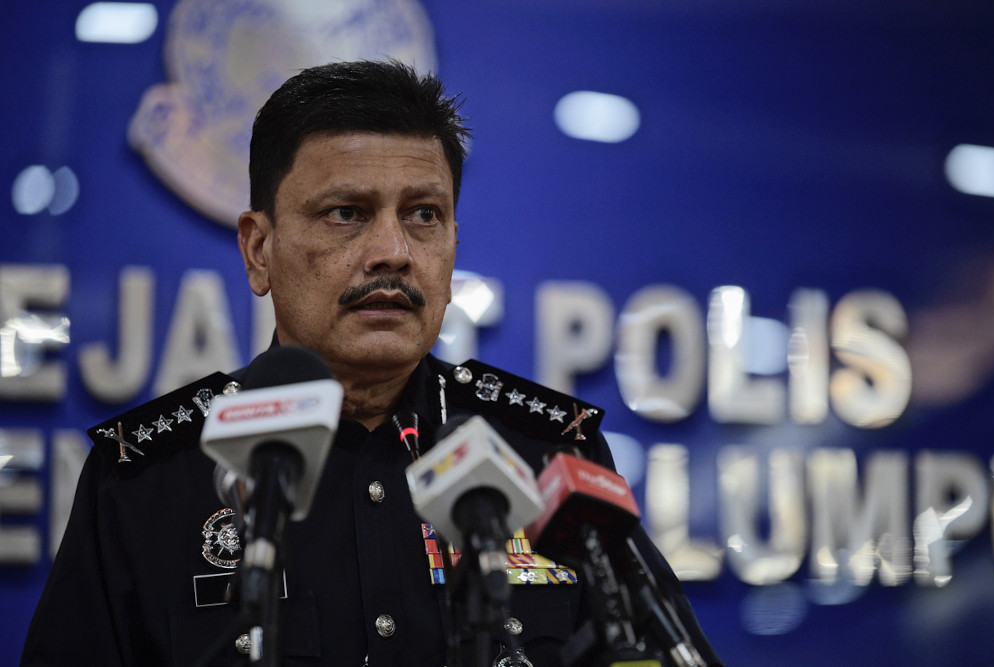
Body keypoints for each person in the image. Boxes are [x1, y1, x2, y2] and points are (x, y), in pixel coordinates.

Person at [22, 60, 722, 666]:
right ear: (258, 249)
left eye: (423, 214)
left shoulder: (545, 455)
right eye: (346, 213)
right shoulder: (146, 480)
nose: (392, 249)